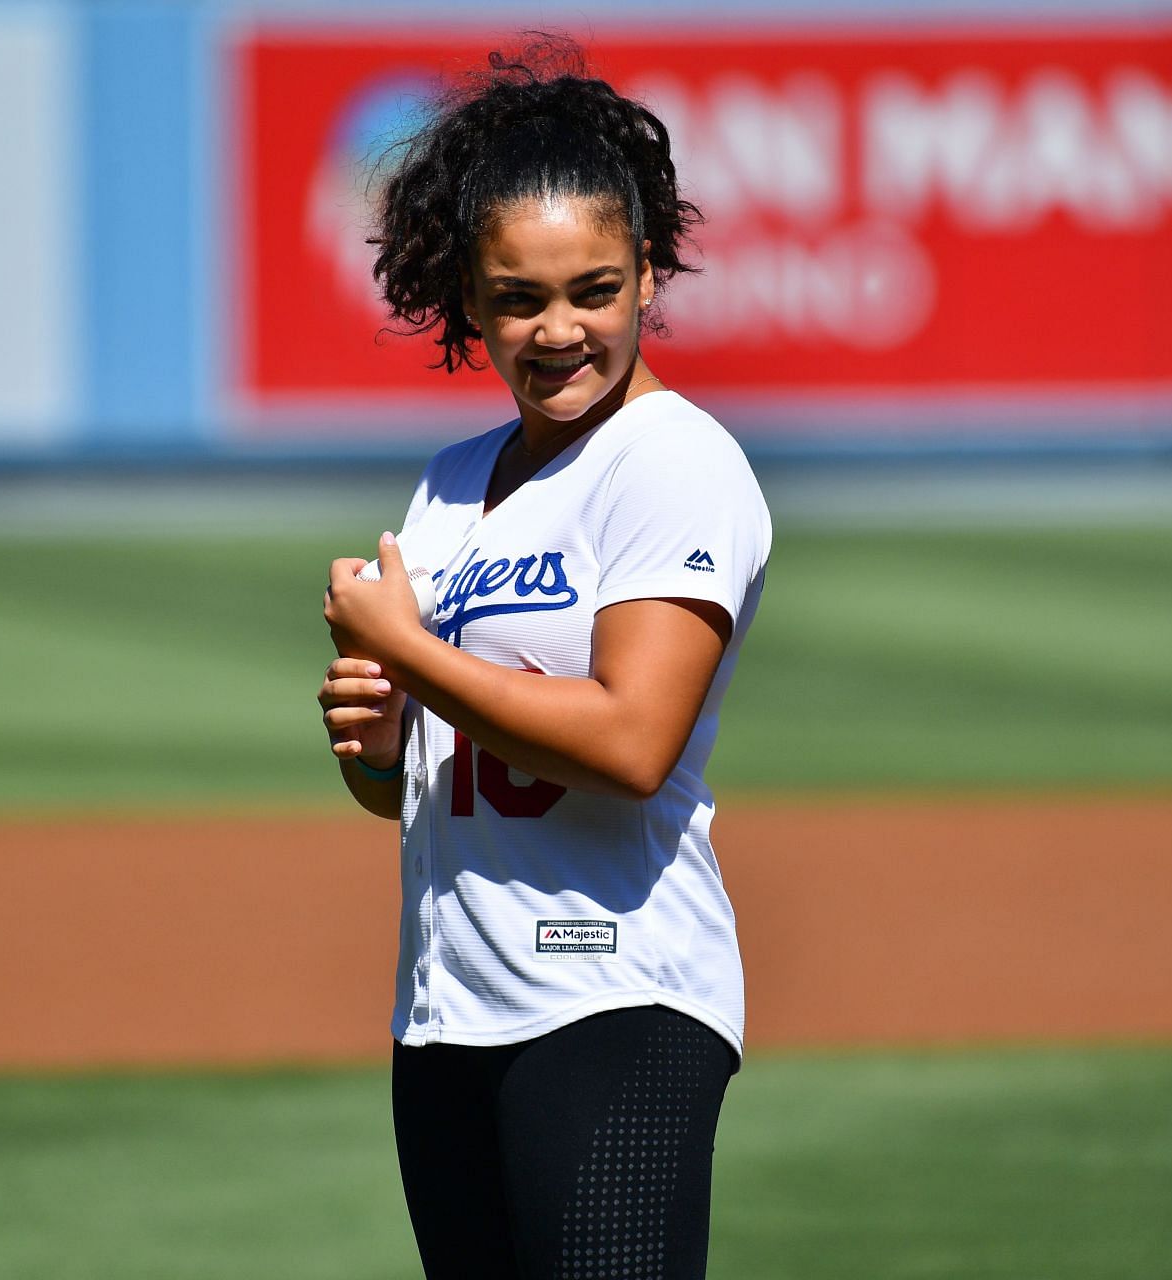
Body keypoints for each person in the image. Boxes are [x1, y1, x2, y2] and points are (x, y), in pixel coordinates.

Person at [314, 37, 770, 1280]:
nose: (560, 328)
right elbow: (409, 782)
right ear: (466, 296)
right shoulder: (452, 484)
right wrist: (374, 735)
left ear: (648, 274)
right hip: (450, 1001)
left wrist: (411, 649)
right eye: (519, 297)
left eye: (596, 288)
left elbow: (632, 743)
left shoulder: (673, 461)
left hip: (616, 999)